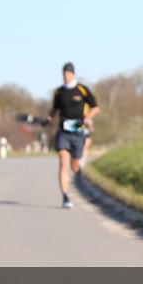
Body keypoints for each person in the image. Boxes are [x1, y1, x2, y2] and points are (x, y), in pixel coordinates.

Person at [48, 63, 99, 208]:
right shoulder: (59, 92)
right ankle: (65, 197)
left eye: (68, 74)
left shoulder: (82, 89)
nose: (66, 76)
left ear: (73, 74)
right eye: (64, 74)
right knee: (63, 161)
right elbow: (54, 109)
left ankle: (79, 171)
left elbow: (96, 107)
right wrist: (48, 119)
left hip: (79, 126)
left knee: (74, 165)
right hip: (63, 129)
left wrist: (88, 118)